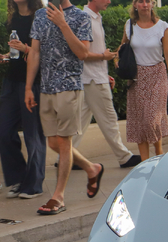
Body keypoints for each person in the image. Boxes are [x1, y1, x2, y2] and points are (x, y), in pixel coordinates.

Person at [26, 0, 105, 215]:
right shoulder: (41, 15)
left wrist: (63, 24)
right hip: (45, 88)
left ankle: (58, 197)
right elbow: (34, 53)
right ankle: (92, 168)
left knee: (64, 141)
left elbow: (83, 53)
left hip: (69, 86)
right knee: (53, 143)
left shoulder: (81, 17)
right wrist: (28, 88)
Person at [72, 0, 141, 170]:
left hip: (93, 77)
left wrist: (104, 71)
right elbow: (82, 52)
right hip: (93, 79)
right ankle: (124, 157)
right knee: (109, 119)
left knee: (80, 121)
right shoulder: (85, 18)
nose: (109, 1)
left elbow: (92, 51)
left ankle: (67, 154)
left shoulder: (94, 17)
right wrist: (103, 58)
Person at [120, 0, 168, 161]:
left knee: (152, 119)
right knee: (139, 120)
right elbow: (123, 48)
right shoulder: (129, 25)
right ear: (135, 5)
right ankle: (145, 164)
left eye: (147, 1)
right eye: (140, 1)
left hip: (157, 75)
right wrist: (117, 60)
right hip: (136, 77)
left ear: (152, 4)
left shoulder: (162, 27)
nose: (144, 5)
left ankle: (159, 154)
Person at [0, 0, 46, 200]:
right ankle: (18, 178)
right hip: (11, 81)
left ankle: (34, 184)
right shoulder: (12, 18)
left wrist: (26, 49)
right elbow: (16, 53)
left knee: (32, 134)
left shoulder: (41, 17)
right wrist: (7, 56)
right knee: (3, 130)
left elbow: (46, 53)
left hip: (33, 81)